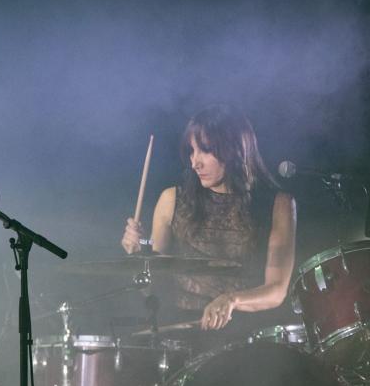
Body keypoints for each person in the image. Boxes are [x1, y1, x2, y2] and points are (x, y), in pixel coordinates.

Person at [121, 104, 296, 340]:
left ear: (234, 150)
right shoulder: (171, 200)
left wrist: (231, 299)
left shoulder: (278, 204)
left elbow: (277, 290)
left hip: (246, 338)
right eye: (191, 152)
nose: (195, 162)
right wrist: (136, 260)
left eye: (204, 151)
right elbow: (153, 292)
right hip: (179, 334)